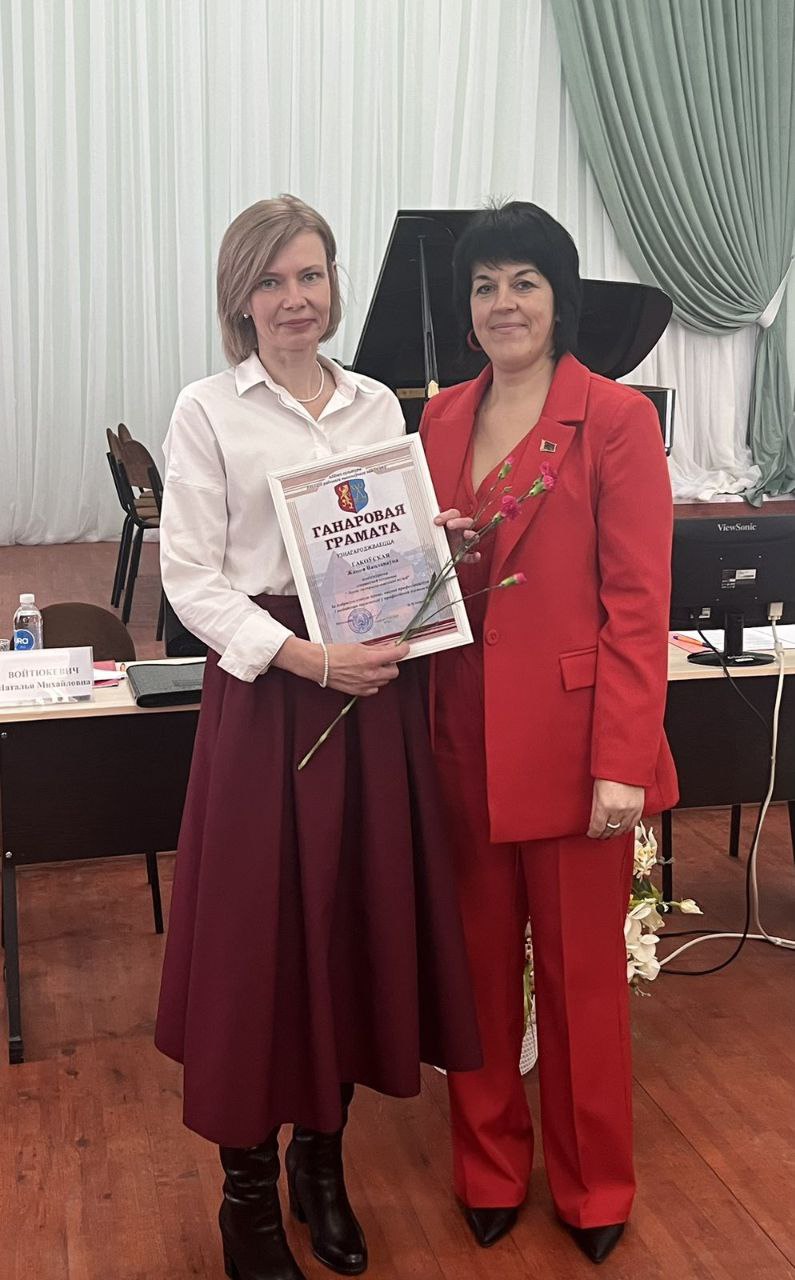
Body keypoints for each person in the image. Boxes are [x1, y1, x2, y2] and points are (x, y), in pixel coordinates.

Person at [155, 194, 481, 1280]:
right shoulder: (207, 409)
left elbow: (385, 541)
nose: (295, 299)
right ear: (240, 298)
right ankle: (246, 1195)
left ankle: (321, 1165)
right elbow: (190, 580)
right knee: (259, 944)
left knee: (347, 924)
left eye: (310, 275)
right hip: (271, 698)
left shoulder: (377, 402)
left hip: (368, 693)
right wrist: (304, 658)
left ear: (334, 283)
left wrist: (434, 553)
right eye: (272, 280)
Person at [419, 201, 678, 1265]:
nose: (504, 303)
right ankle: (487, 1170)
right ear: (467, 307)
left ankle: (594, 1184)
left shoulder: (614, 418)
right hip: (460, 737)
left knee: (582, 987)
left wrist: (623, 761)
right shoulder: (438, 420)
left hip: (576, 753)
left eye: (523, 281)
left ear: (558, 299)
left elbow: (638, 604)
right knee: (476, 978)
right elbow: (428, 585)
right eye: (485, 286)